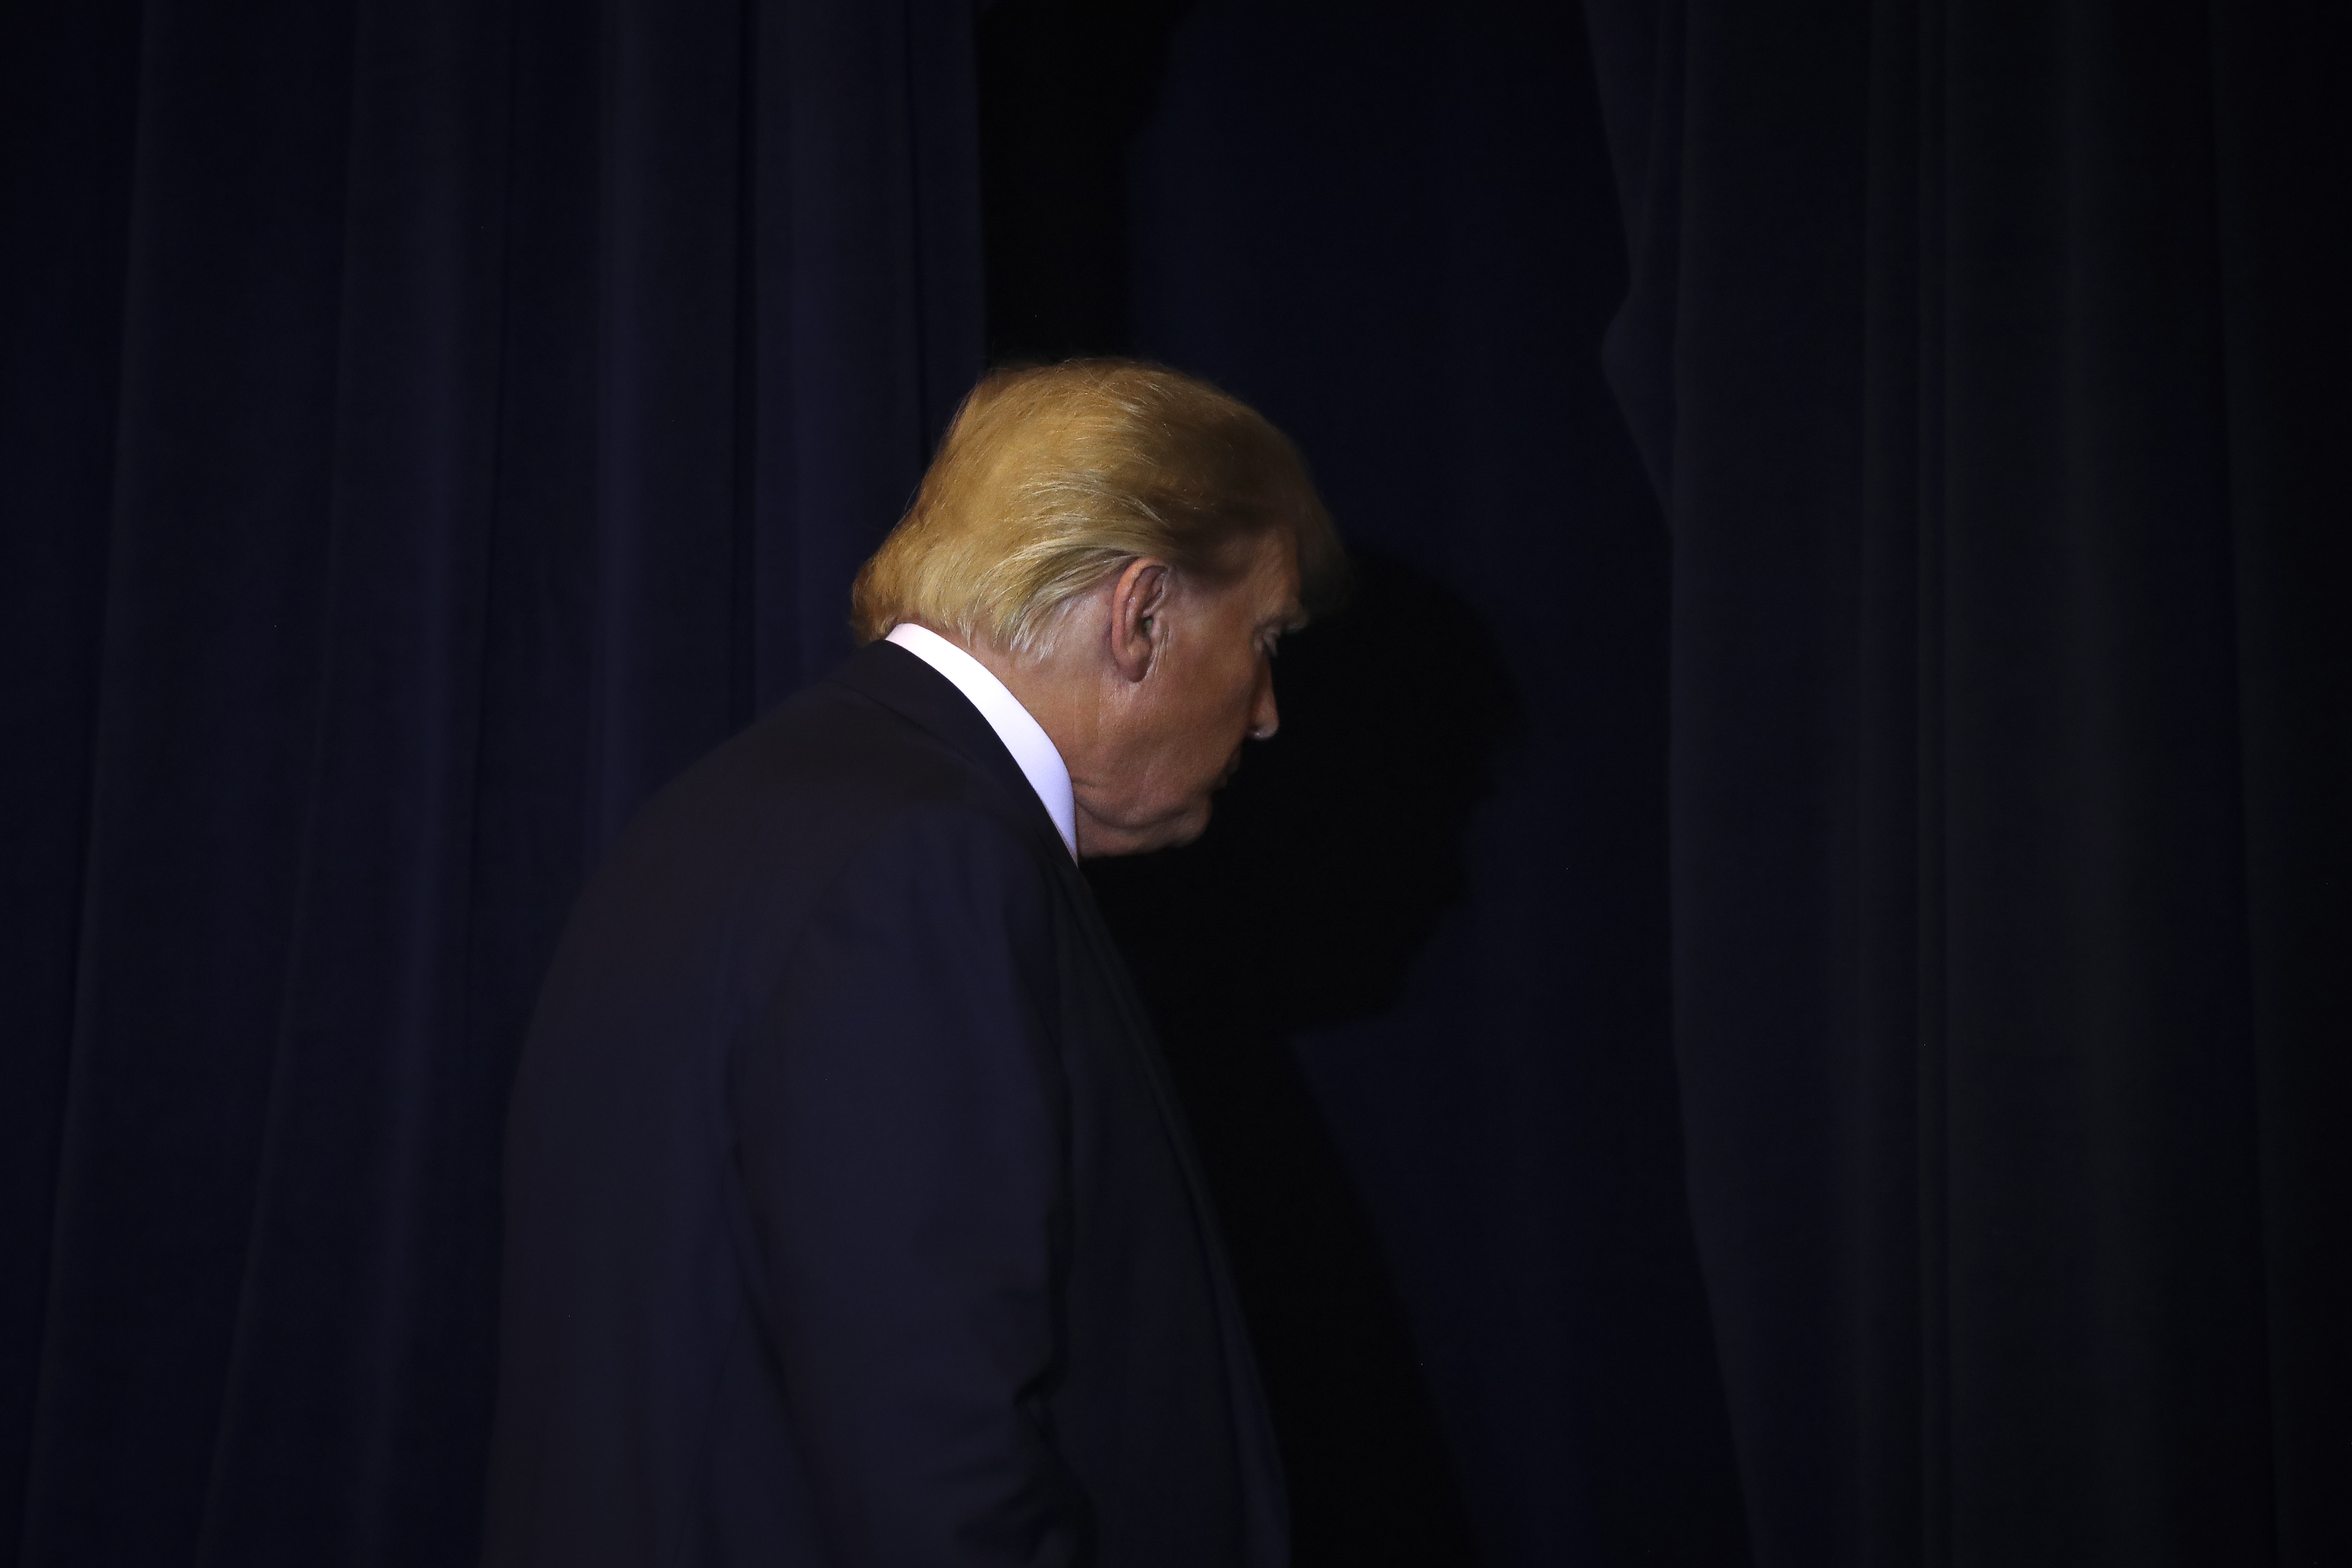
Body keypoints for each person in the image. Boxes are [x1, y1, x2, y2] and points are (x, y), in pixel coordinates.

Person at [481, 359, 1347, 1568]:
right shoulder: (924, 859)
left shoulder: (744, 810)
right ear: (1139, 614)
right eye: (1261, 637)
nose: (1263, 711)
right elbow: (934, 1461)